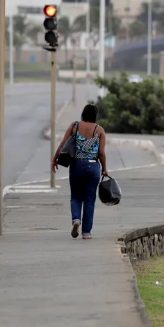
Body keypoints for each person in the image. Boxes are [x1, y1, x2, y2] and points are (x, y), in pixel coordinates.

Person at [52, 103, 108, 240]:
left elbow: (62, 144)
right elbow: (101, 153)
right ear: (95, 115)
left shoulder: (74, 126)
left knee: (76, 196)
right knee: (89, 200)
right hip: (93, 167)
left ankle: (76, 219)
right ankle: (86, 233)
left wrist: (55, 159)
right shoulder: (99, 130)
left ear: (83, 113)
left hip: (76, 165)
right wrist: (105, 168)